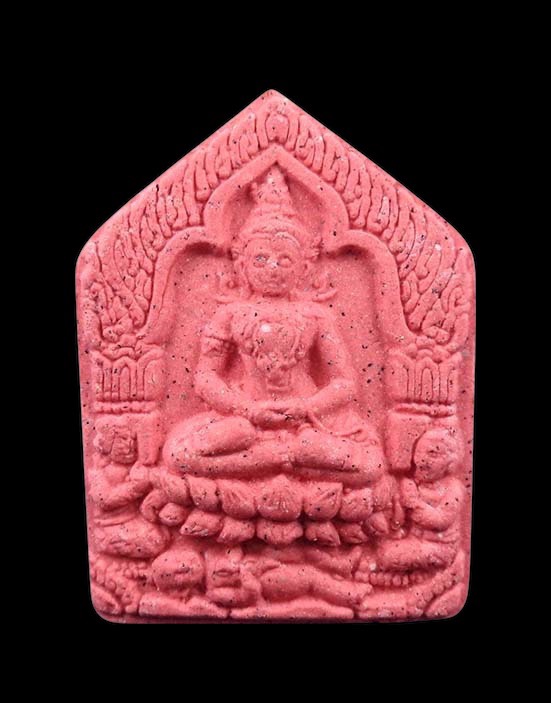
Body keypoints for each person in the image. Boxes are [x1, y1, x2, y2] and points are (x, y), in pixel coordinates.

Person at [163, 167, 384, 487]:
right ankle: (278, 460)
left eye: (285, 260)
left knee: (372, 465)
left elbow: (345, 383)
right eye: (260, 259)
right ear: (242, 265)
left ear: (304, 266)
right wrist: (247, 410)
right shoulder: (230, 314)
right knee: (178, 455)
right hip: (243, 419)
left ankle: (270, 460)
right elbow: (205, 378)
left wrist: (305, 408)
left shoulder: (315, 315)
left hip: (307, 422)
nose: (272, 268)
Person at [377, 428, 465, 571]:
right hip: (413, 540)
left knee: (390, 556)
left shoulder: (453, 488)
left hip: (439, 548)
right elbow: (400, 522)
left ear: (449, 461)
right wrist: (399, 504)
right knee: (382, 548)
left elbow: (441, 521)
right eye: (419, 453)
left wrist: (414, 504)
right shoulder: (416, 484)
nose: (423, 460)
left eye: (433, 454)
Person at [89, 418, 169, 559]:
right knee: (152, 543)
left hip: (134, 521)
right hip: (110, 526)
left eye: (133, 439)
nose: (129, 445)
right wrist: (136, 487)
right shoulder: (98, 472)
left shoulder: (136, 468)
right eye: (122, 440)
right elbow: (104, 500)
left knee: (162, 536)